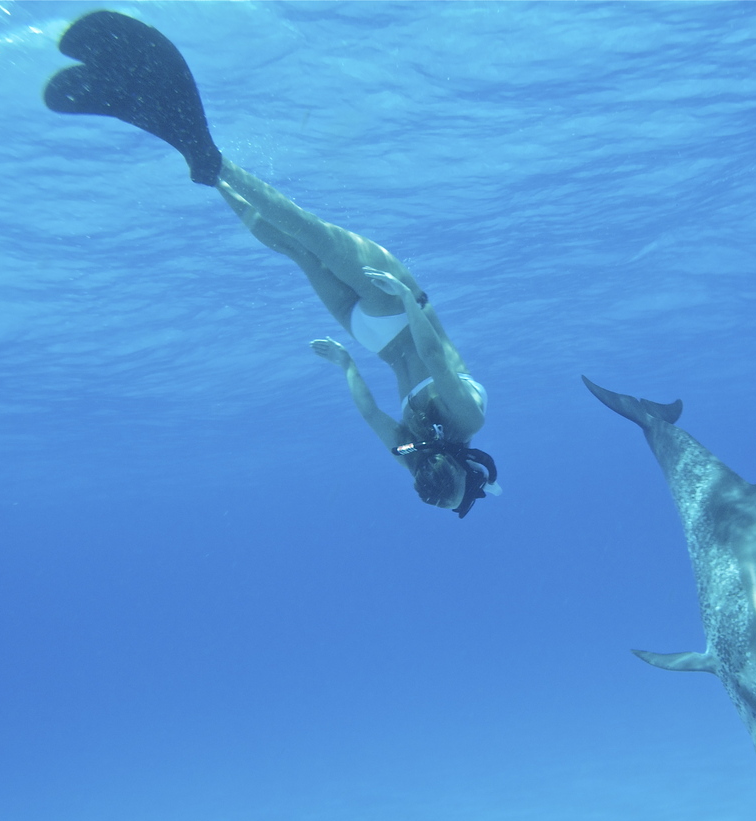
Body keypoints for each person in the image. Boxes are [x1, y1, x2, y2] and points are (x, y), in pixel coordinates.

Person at [44, 10, 499, 517]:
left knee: (306, 240)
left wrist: (366, 343)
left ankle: (210, 164)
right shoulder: (462, 424)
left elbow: (390, 394)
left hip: (384, 324)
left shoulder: (422, 455)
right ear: (463, 470)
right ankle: (212, 168)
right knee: (306, 242)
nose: (436, 483)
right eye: (450, 490)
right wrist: (390, 317)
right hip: (386, 322)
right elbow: (421, 370)